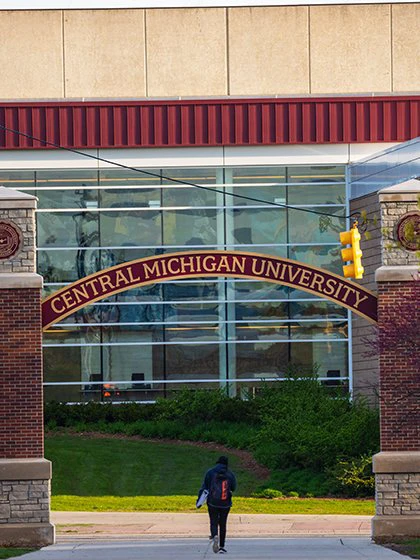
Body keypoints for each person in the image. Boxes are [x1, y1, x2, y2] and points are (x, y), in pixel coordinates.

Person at [198, 456, 237, 554]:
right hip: (226, 503)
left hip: (212, 502)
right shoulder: (230, 474)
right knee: (223, 524)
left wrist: (199, 500)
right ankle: (222, 546)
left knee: (213, 521)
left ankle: (215, 535)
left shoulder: (210, 472)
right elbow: (233, 487)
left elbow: (205, 486)